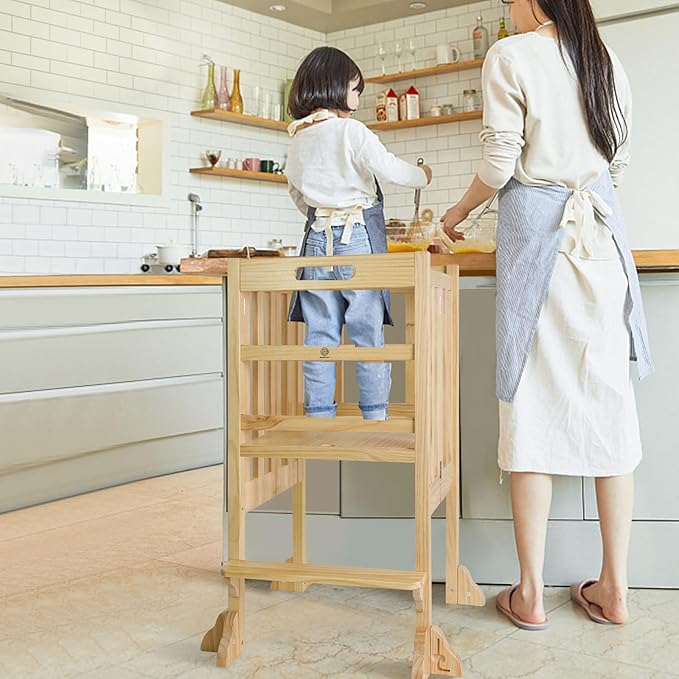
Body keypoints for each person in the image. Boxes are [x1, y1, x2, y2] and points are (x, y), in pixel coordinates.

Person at [441, 0, 653, 629]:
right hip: (601, 249)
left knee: (530, 408)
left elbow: (500, 165)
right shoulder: (606, 58)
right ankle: (615, 589)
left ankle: (530, 593)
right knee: (611, 413)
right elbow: (617, 161)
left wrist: (456, 216)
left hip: (541, 252)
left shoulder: (511, 55)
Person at [286, 46, 432, 421]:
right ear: (335, 87)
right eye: (355, 89)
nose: (357, 98)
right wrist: (423, 177)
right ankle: (374, 415)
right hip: (357, 240)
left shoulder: (298, 138)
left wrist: (324, 216)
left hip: (317, 240)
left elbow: (297, 195)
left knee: (319, 336)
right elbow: (392, 170)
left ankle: (319, 417)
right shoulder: (352, 131)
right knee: (367, 333)